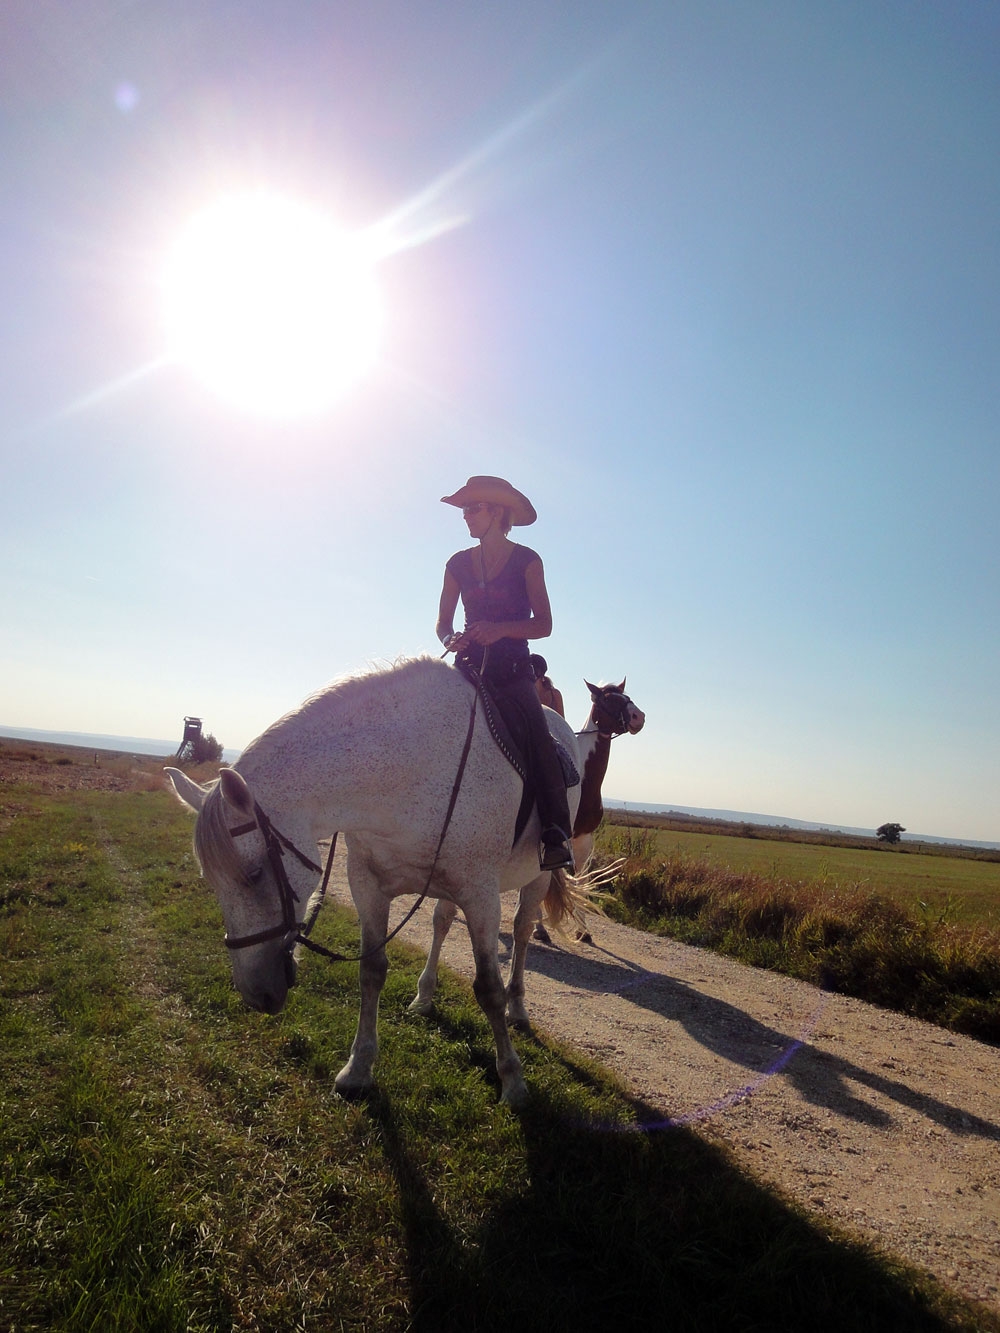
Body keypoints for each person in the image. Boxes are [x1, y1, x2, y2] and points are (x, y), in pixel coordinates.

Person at [437, 475, 575, 871]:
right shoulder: (457, 564)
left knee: (537, 734)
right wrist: (450, 639)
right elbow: (442, 622)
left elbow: (544, 624)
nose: (465, 516)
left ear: (496, 512)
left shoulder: (527, 561)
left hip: (512, 670)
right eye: (463, 509)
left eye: (472, 508)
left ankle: (555, 834)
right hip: (466, 668)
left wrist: (499, 630)